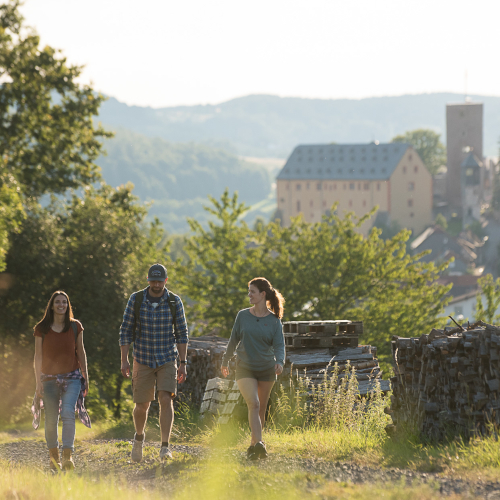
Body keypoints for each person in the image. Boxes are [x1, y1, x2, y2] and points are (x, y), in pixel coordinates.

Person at [119, 263, 189, 462]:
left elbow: (182, 333)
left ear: (165, 281)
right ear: (148, 281)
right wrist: (124, 360)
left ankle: (165, 447)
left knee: (166, 399)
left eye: (160, 281)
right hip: (142, 357)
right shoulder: (137, 299)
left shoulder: (175, 302)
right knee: (142, 406)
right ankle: (139, 438)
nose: (156, 284)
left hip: (167, 357)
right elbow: (126, 330)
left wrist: (182, 362)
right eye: (153, 281)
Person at [221, 277, 285, 460]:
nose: (249, 295)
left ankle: (253, 446)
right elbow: (233, 340)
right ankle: (260, 444)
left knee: (261, 408)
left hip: (266, 368)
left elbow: (280, 346)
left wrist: (279, 361)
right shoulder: (243, 316)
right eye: (248, 291)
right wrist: (225, 361)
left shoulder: (274, 321)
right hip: (245, 367)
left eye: (252, 292)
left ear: (263, 294)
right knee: (254, 404)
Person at [32, 291, 90, 471]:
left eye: (64, 302)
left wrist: (85, 376)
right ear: (51, 305)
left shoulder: (75, 326)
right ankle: (53, 458)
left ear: (68, 305)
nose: (61, 305)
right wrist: (37, 382)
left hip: (72, 377)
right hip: (48, 379)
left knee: (67, 413)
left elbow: (81, 352)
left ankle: (68, 457)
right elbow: (38, 356)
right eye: (57, 302)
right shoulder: (41, 328)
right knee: (51, 419)